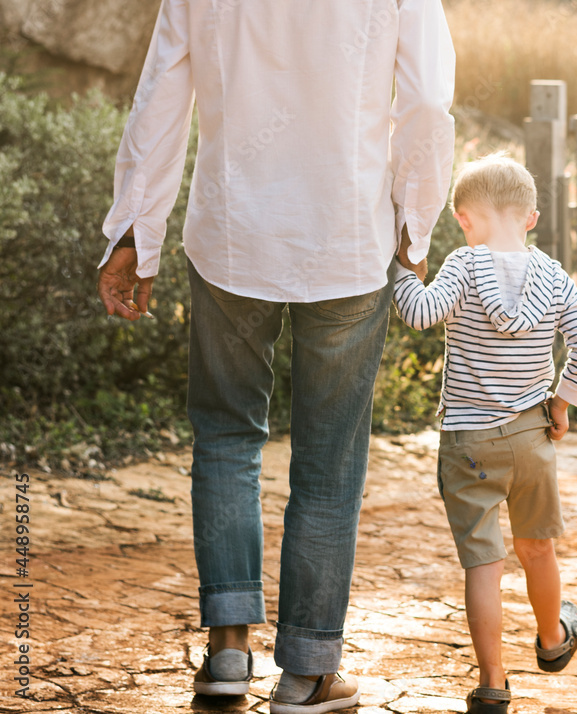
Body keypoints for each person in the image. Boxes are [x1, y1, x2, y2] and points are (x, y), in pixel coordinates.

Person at [95, 1, 455, 711]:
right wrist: (414, 222)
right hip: (349, 239)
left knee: (226, 439)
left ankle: (228, 653)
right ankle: (308, 671)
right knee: (330, 463)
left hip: (232, 236)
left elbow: (161, 95)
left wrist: (136, 232)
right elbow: (427, 104)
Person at [392, 153, 577, 713]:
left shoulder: (463, 266)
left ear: (463, 218)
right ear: (531, 217)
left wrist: (399, 270)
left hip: (468, 444)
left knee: (484, 564)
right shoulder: (553, 276)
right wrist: (563, 401)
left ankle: (492, 683)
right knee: (538, 548)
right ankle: (554, 640)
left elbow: (419, 313)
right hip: (532, 438)